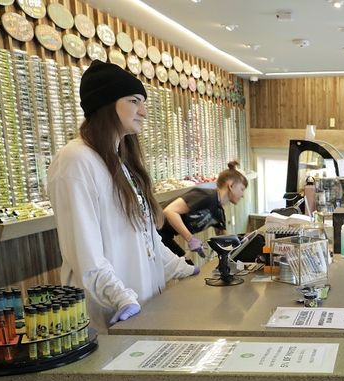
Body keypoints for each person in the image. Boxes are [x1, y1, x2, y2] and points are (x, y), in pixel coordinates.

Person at [48, 60, 199, 333]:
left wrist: (182, 268)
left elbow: (146, 240)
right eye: (133, 100)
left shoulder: (120, 163)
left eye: (143, 101)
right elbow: (86, 253)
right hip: (111, 317)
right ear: (105, 104)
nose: (143, 111)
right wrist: (121, 298)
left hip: (144, 310)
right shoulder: (76, 160)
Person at [159, 161, 248, 258]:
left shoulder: (219, 212)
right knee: (184, 269)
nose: (242, 195)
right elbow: (169, 211)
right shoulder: (207, 196)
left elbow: (224, 240)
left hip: (165, 236)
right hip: (152, 230)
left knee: (187, 267)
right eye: (242, 189)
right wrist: (190, 239)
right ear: (231, 186)